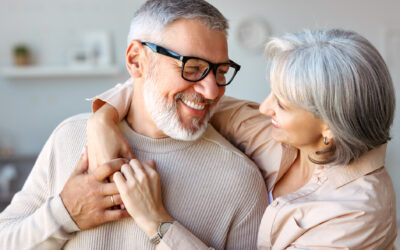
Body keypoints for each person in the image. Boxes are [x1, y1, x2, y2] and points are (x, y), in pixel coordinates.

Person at [88, 29, 398, 249]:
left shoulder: (359, 215)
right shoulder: (270, 131)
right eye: (271, 93)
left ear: (329, 127)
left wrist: (158, 223)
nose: (264, 107)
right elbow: (178, 96)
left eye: (283, 104)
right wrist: (102, 118)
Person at [0, 0, 269, 249]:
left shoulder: (240, 180)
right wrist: (66, 213)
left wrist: (162, 227)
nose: (212, 92)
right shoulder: (69, 137)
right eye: (193, 67)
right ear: (136, 61)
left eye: (220, 71)